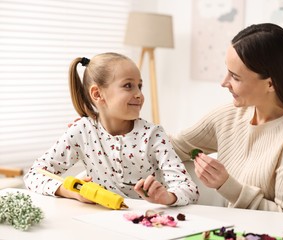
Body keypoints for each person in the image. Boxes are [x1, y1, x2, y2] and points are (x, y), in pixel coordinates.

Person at [170, 23, 283, 214]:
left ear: (270, 84)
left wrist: (226, 185)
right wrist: (126, 127)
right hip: (240, 232)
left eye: (235, 77)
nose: (224, 83)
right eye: (227, 71)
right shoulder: (231, 115)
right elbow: (174, 147)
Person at [24, 52, 199, 206]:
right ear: (97, 94)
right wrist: (71, 192)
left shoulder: (153, 135)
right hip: (97, 223)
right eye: (128, 85)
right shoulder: (82, 131)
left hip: (146, 224)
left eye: (140, 86)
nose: (139, 94)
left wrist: (167, 197)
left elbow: (189, 189)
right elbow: (34, 174)